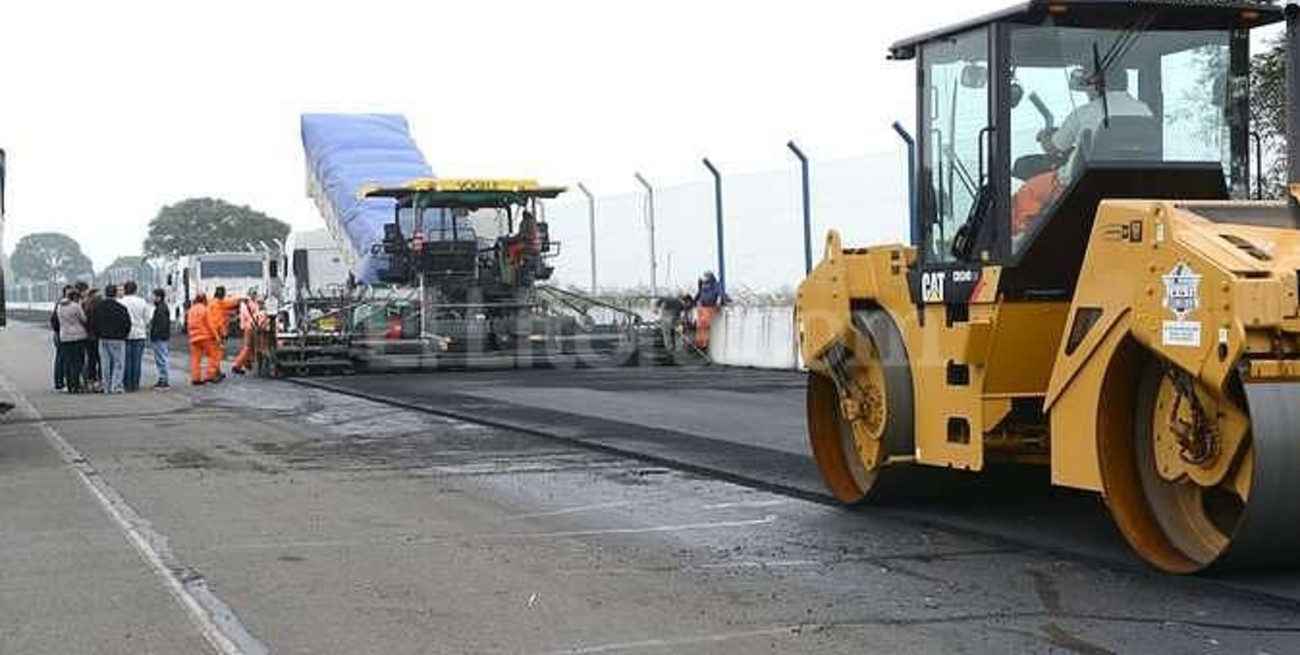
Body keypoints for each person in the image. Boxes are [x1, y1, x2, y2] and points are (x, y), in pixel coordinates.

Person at [91, 285, 131, 394]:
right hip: (118, 339)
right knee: (118, 364)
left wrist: (98, 334)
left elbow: (93, 323)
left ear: (105, 293)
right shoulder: (121, 308)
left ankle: (106, 387)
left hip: (103, 338)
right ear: (115, 294)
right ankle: (116, 386)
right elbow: (127, 324)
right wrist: (124, 335)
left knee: (105, 363)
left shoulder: (98, 307)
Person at [119, 280, 153, 392]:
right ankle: (135, 384)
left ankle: (127, 384)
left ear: (125, 289)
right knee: (137, 360)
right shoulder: (142, 302)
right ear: (135, 290)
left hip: (125, 334)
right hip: (139, 334)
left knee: (126, 360)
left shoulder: (121, 302)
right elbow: (147, 319)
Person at [55, 288, 89, 393]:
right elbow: (84, 319)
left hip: (64, 337)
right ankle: (76, 385)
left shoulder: (59, 307)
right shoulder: (76, 306)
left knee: (68, 362)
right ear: (76, 297)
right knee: (78, 362)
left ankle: (69, 386)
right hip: (78, 337)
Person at [186, 292, 224, 385]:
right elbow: (210, 325)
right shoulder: (205, 309)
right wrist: (217, 337)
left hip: (194, 337)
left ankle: (196, 378)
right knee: (213, 355)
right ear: (204, 300)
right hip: (205, 337)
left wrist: (190, 336)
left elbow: (188, 325)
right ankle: (210, 376)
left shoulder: (191, 310)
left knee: (196, 359)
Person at [232, 288, 267, 375]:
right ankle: (238, 364)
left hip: (250, 327)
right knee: (248, 347)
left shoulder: (247, 304)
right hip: (251, 327)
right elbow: (251, 317)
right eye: (254, 294)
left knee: (250, 347)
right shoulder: (248, 305)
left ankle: (247, 363)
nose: (255, 295)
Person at [692, 271, 728, 350]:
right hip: (702, 308)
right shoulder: (702, 285)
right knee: (699, 326)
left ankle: (705, 344)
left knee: (705, 325)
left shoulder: (716, 285)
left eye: (706, 278)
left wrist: (725, 300)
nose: (705, 281)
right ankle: (699, 343)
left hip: (710, 307)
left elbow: (721, 294)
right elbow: (699, 294)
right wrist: (693, 302)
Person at [50, 285, 72, 391]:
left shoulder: (59, 303)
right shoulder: (63, 304)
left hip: (59, 334)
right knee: (62, 360)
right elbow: (54, 320)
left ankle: (59, 382)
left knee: (60, 359)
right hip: (61, 334)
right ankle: (59, 383)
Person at [149, 288, 172, 389]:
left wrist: (155, 334)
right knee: (161, 358)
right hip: (162, 337)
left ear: (159, 297)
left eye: (154, 296)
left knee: (161, 359)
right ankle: (163, 378)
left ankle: (164, 379)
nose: (152, 298)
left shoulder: (161, 309)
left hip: (159, 337)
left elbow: (161, 324)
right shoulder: (162, 307)